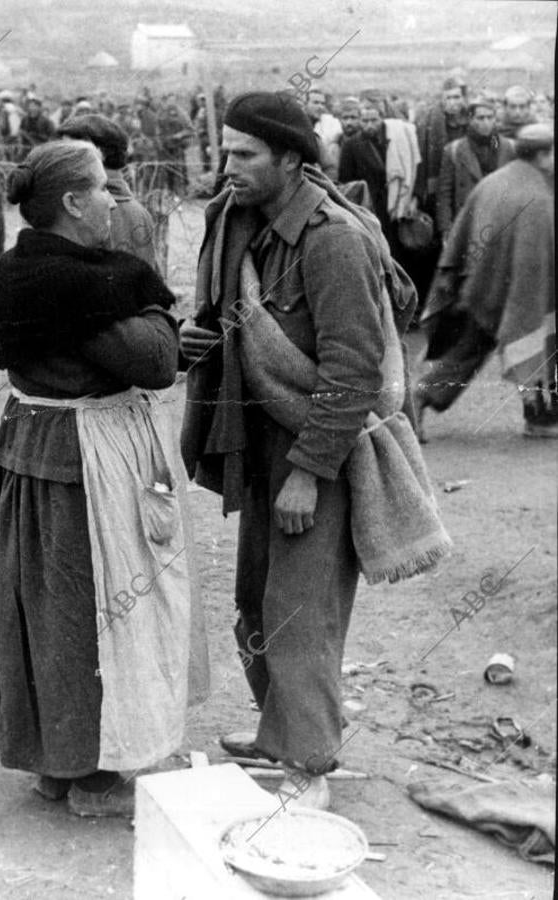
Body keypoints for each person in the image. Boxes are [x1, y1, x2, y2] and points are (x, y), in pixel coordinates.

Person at [180, 91, 417, 809]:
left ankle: (311, 764)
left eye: (244, 155)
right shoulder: (242, 222)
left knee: (300, 612)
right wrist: (200, 342)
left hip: (319, 445)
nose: (228, 168)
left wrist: (309, 474)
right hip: (260, 441)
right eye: (224, 151)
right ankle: (281, 729)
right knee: (256, 601)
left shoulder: (331, 239)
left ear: (290, 158)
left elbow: (355, 369)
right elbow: (236, 320)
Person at [0, 139, 207, 816]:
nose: (113, 198)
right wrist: (154, 319)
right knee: (90, 611)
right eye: (104, 187)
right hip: (83, 460)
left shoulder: (25, 275)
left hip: (40, 450)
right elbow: (156, 357)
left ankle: (55, 760)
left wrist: (141, 324)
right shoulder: (73, 284)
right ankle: (92, 774)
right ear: (74, 202)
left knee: (45, 608)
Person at [416, 124, 555, 439]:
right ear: (543, 154)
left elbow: (463, 230)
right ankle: (540, 415)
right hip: (511, 291)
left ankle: (540, 414)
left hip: (479, 284)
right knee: (534, 342)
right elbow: (533, 262)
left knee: (471, 350)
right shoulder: (536, 196)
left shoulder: (498, 181)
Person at [57, 112, 158, 270]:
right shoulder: (139, 212)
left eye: (69, 152)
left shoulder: (84, 209)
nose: (60, 161)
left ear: (97, 154)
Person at [338, 98, 422, 254]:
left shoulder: (395, 139)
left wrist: (414, 198)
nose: (369, 125)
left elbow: (414, 167)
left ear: (382, 118)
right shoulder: (351, 146)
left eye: (374, 120)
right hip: (369, 209)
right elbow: (346, 182)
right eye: (365, 121)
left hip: (398, 206)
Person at [436, 96, 515, 243]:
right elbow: (444, 193)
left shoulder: (509, 148)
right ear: (470, 119)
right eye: (480, 118)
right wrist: (446, 229)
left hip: (502, 223)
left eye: (490, 117)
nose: (486, 123)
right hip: (468, 224)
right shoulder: (454, 150)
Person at [416, 75, 468, 221]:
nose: (453, 102)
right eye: (448, 98)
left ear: (463, 99)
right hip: (439, 183)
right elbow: (422, 157)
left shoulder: (470, 121)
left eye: (457, 97)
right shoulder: (430, 121)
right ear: (442, 99)